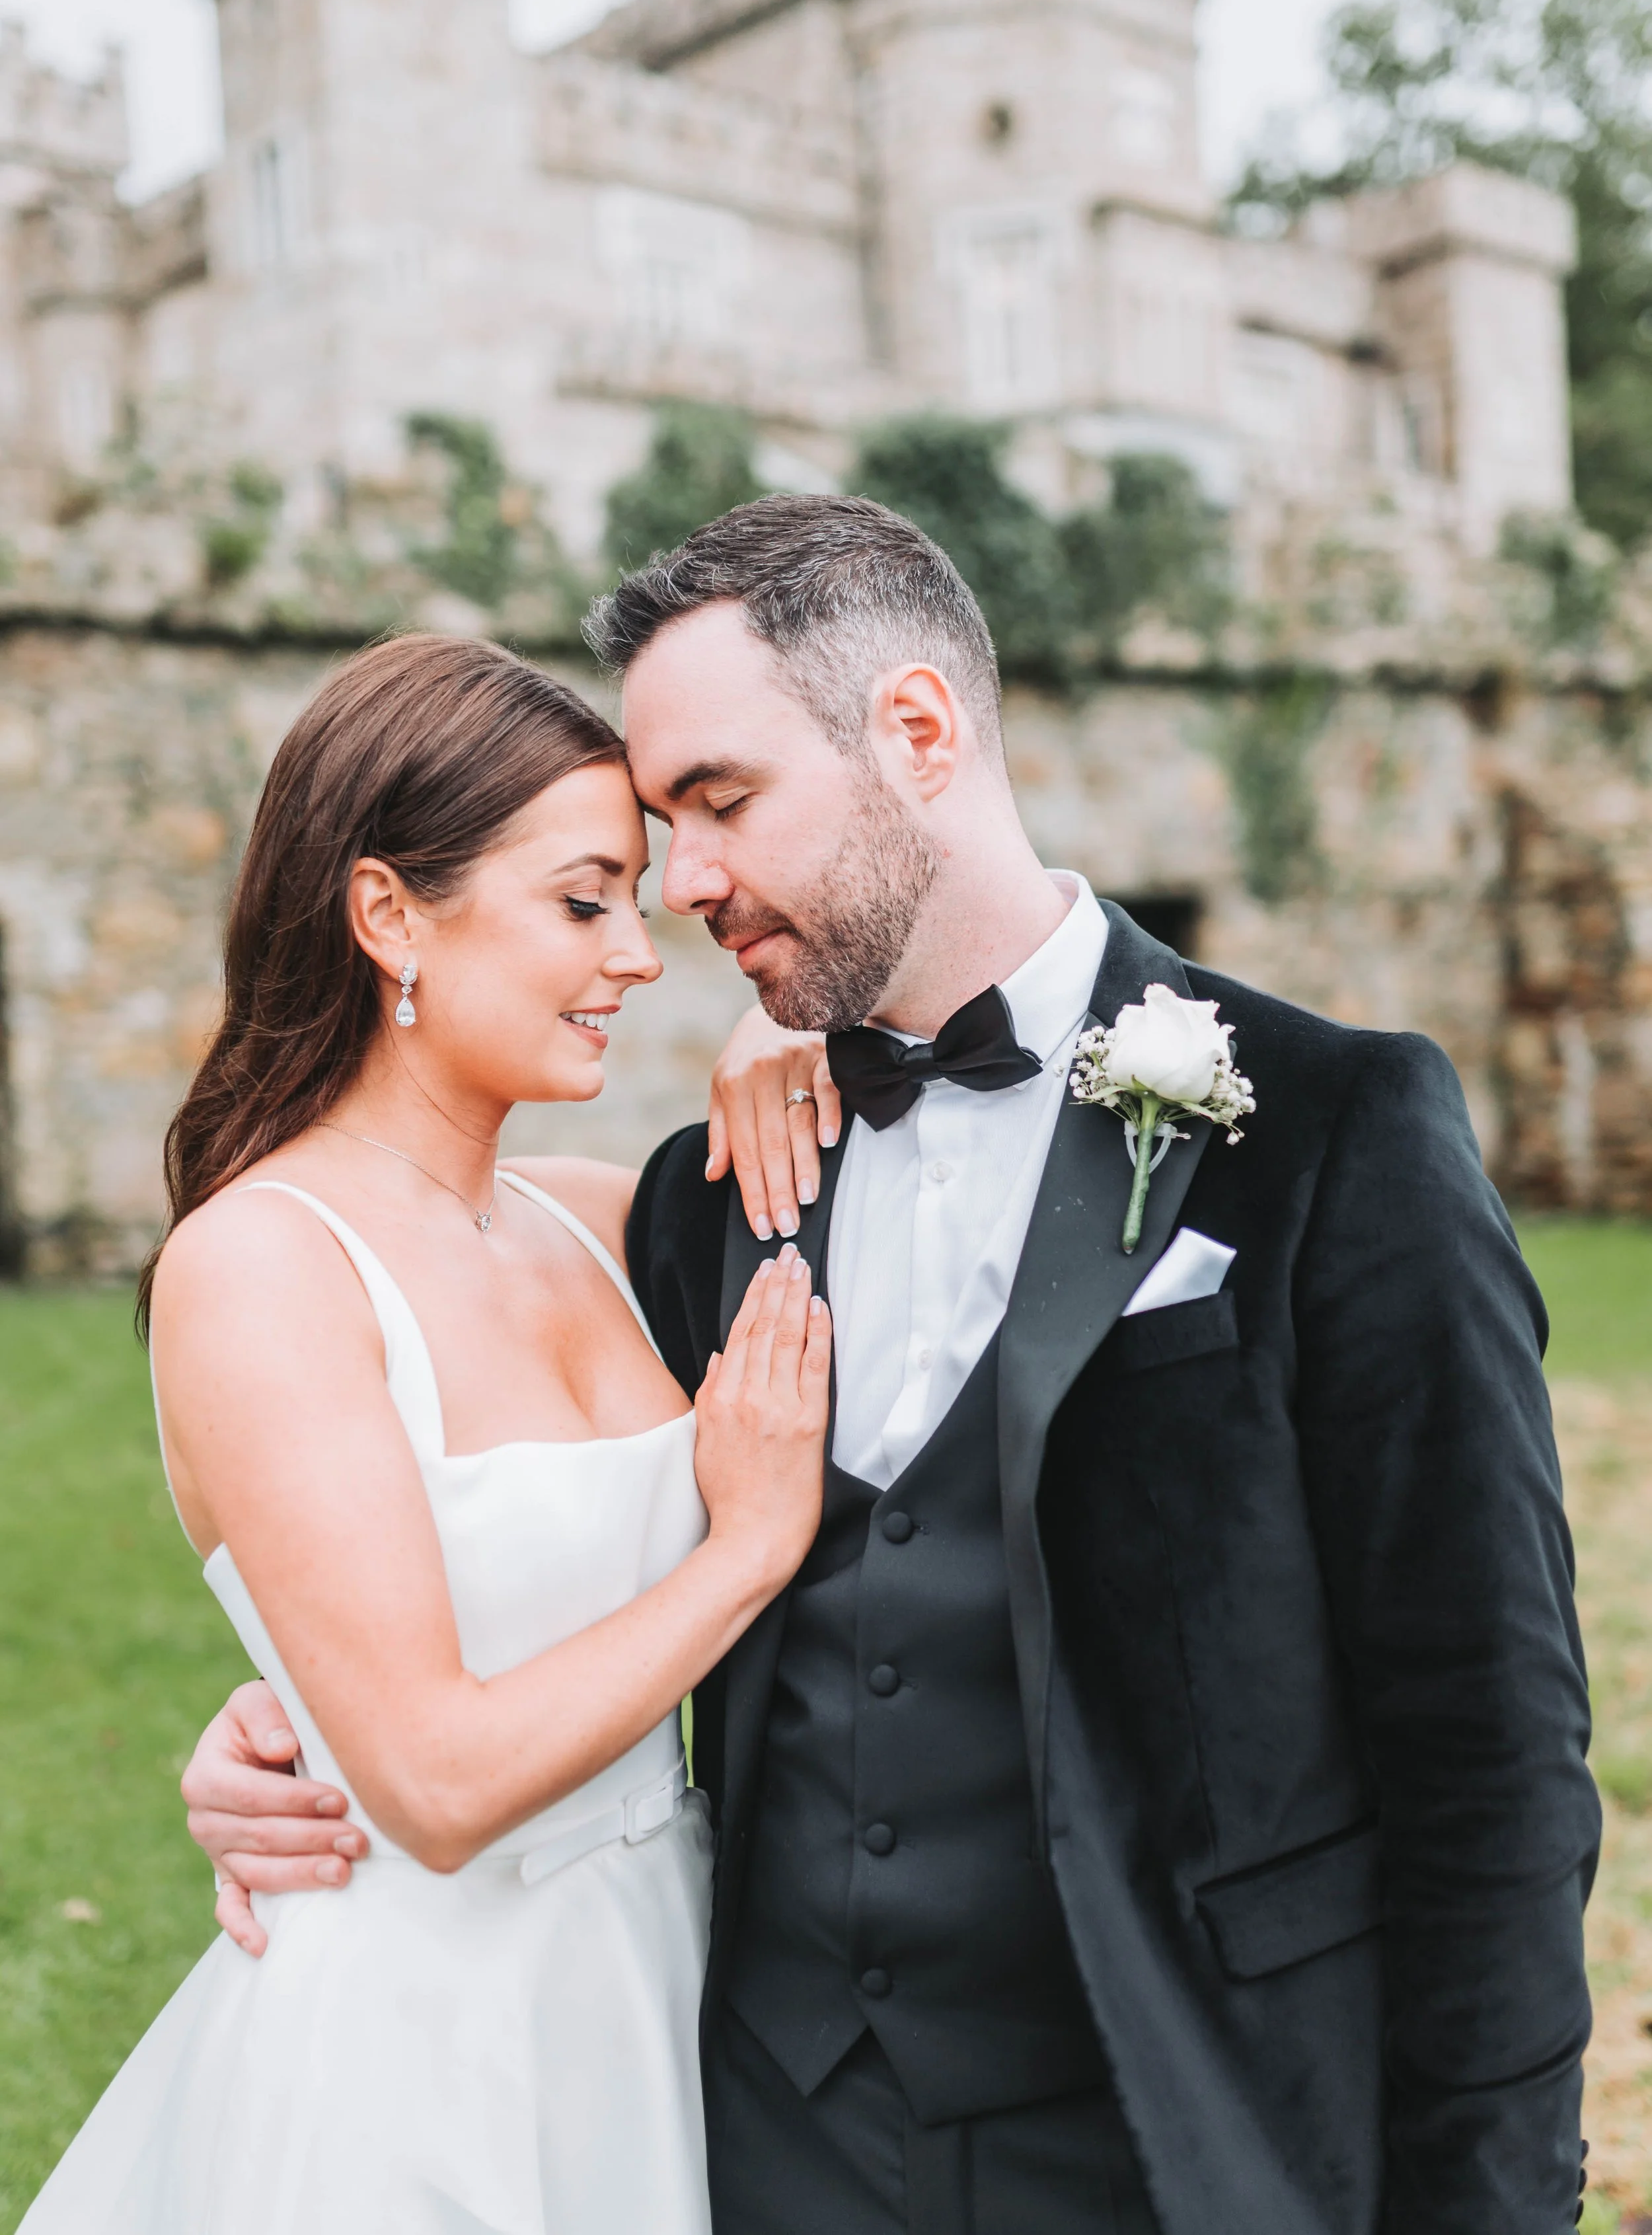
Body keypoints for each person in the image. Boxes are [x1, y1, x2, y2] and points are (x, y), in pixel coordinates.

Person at [184, 496, 1599, 2235]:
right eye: (651, 835)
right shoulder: (708, 1207)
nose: (682, 888)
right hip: (759, 2134)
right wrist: (285, 1717)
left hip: (1180, 2131)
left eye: (720, 804)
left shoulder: (1331, 1131)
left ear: (917, 733)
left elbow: (1490, 1751)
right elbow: (469, 1521)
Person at [21, 632, 832, 2235]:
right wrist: (743, 1549)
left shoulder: (602, 1222)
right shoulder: (260, 1266)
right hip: (422, 2044)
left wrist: (809, 1025)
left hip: (657, 1971)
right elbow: (434, 1782)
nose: (636, 956)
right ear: (390, 911)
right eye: (582, 901)